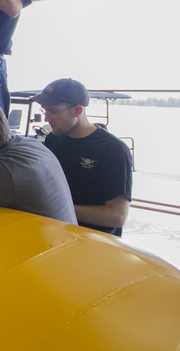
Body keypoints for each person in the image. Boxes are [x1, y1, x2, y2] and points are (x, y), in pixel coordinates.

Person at [32, 78, 133, 236]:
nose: (46, 119)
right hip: (57, 233)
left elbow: (116, 216)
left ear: (77, 111)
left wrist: (58, 208)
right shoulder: (53, 139)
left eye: (53, 111)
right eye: (45, 111)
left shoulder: (113, 150)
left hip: (95, 242)